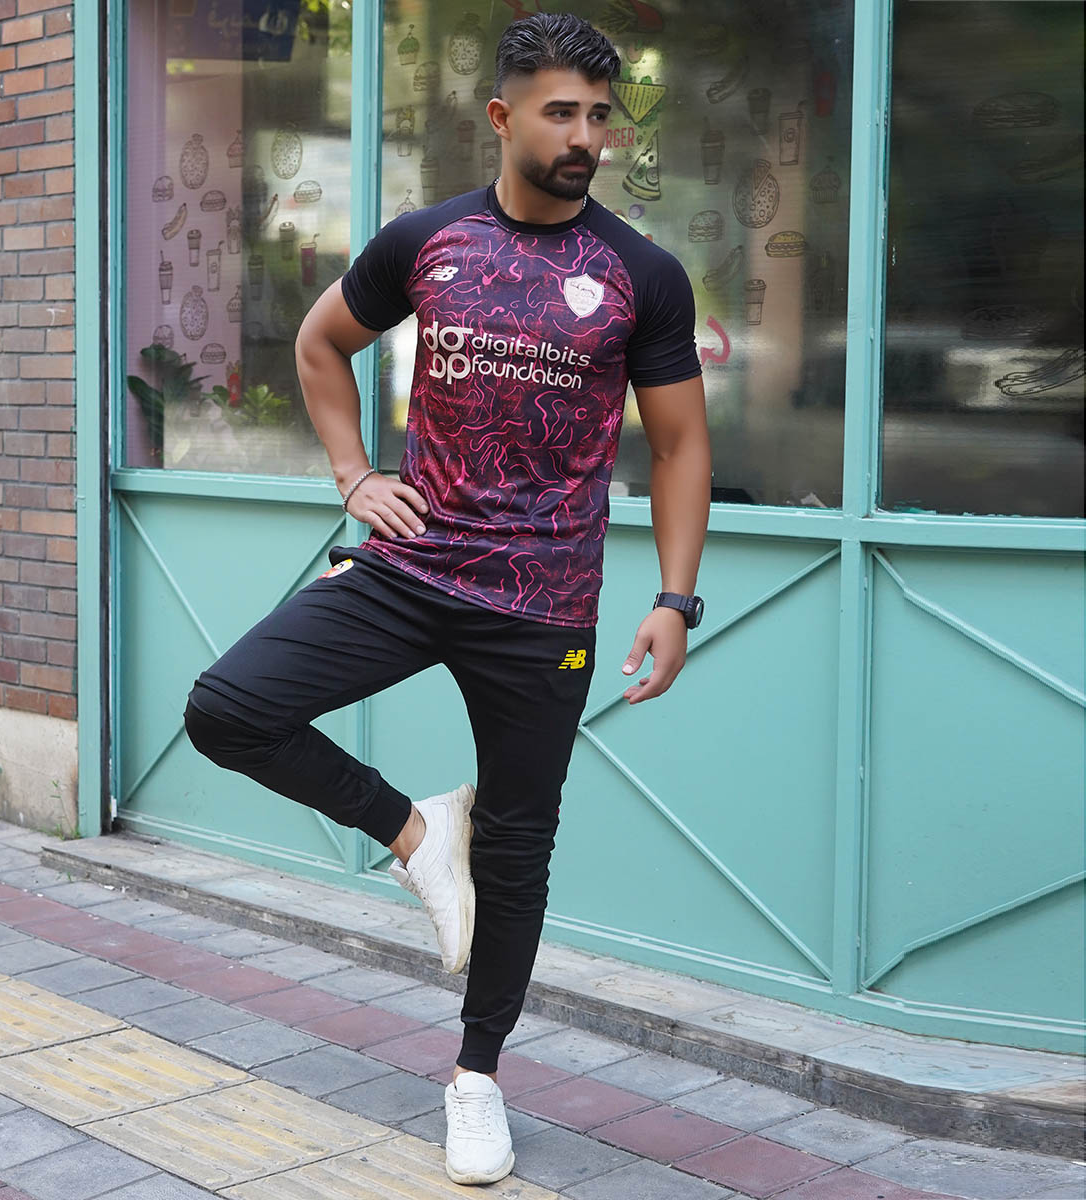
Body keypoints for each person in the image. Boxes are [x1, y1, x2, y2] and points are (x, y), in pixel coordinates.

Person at [182, 11, 710, 1186]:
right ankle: (417, 832)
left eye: (600, 116)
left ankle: (476, 1078)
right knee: (228, 709)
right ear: (503, 117)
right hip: (413, 566)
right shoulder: (428, 241)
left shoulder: (642, 275)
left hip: (544, 602)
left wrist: (677, 598)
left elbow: (680, 447)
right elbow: (321, 345)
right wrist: (354, 477)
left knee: (518, 848)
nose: (585, 137)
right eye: (561, 113)